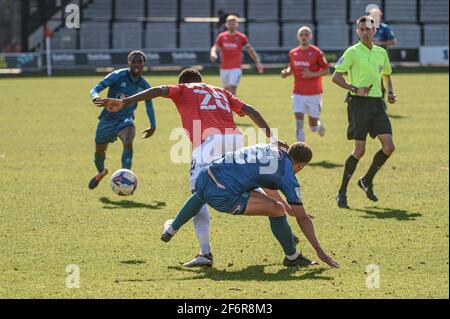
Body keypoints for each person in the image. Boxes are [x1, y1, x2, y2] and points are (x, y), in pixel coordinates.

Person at [95, 68, 294, 267]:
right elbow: (251, 111)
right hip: (235, 139)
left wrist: (126, 101)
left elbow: (158, 90)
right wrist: (273, 138)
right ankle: (286, 230)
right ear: (201, 80)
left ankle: (204, 253)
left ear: (183, 81)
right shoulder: (221, 91)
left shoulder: (183, 89)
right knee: (246, 184)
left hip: (208, 143)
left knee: (199, 193)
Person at [159, 143, 340, 268]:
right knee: (277, 210)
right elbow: (303, 217)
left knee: (201, 195)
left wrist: (290, 210)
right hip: (223, 194)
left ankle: (170, 230)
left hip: (206, 174)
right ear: (300, 166)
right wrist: (320, 252)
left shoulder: (271, 149)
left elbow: (268, 186)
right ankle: (292, 257)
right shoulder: (288, 176)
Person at [332, 16, 397, 209]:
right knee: (360, 150)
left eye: (368, 29)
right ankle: (342, 192)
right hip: (358, 105)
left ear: (375, 30)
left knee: (389, 146)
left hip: (377, 104)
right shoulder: (352, 52)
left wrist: (391, 92)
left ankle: (366, 180)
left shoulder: (381, 53)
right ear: (357, 31)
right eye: (362, 29)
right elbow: (335, 77)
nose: (365, 32)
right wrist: (354, 88)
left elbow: (387, 74)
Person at [88, 50, 156, 190]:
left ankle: (125, 177)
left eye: (140, 62)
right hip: (108, 119)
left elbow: (149, 104)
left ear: (144, 64)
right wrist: (95, 96)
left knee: (128, 141)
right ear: (129, 63)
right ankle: (101, 172)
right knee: (100, 150)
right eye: (134, 61)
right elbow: (95, 88)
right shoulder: (118, 75)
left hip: (125, 119)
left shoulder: (144, 85)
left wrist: (153, 125)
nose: (137, 64)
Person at [281, 26, 329, 142]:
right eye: (301, 35)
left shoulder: (317, 52)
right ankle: (300, 153)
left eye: (306, 35)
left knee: (312, 127)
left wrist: (311, 74)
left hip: (314, 94)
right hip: (298, 93)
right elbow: (291, 67)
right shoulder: (293, 53)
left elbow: (327, 70)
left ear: (310, 37)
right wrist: (286, 72)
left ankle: (317, 125)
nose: (304, 37)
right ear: (298, 37)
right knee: (299, 123)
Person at [210, 15, 264, 96]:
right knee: (225, 92)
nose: (231, 25)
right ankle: (227, 108)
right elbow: (215, 47)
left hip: (236, 68)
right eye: (230, 23)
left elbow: (250, 50)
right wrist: (213, 53)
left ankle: (232, 108)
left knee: (232, 89)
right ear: (226, 24)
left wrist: (258, 62)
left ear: (237, 25)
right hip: (224, 68)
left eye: (233, 23)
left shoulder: (241, 37)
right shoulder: (222, 36)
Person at [373, 10, 397, 109]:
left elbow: (393, 42)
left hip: (381, 59)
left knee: (381, 79)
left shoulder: (385, 28)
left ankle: (381, 100)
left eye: (377, 16)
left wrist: (380, 43)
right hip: (368, 58)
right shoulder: (367, 27)